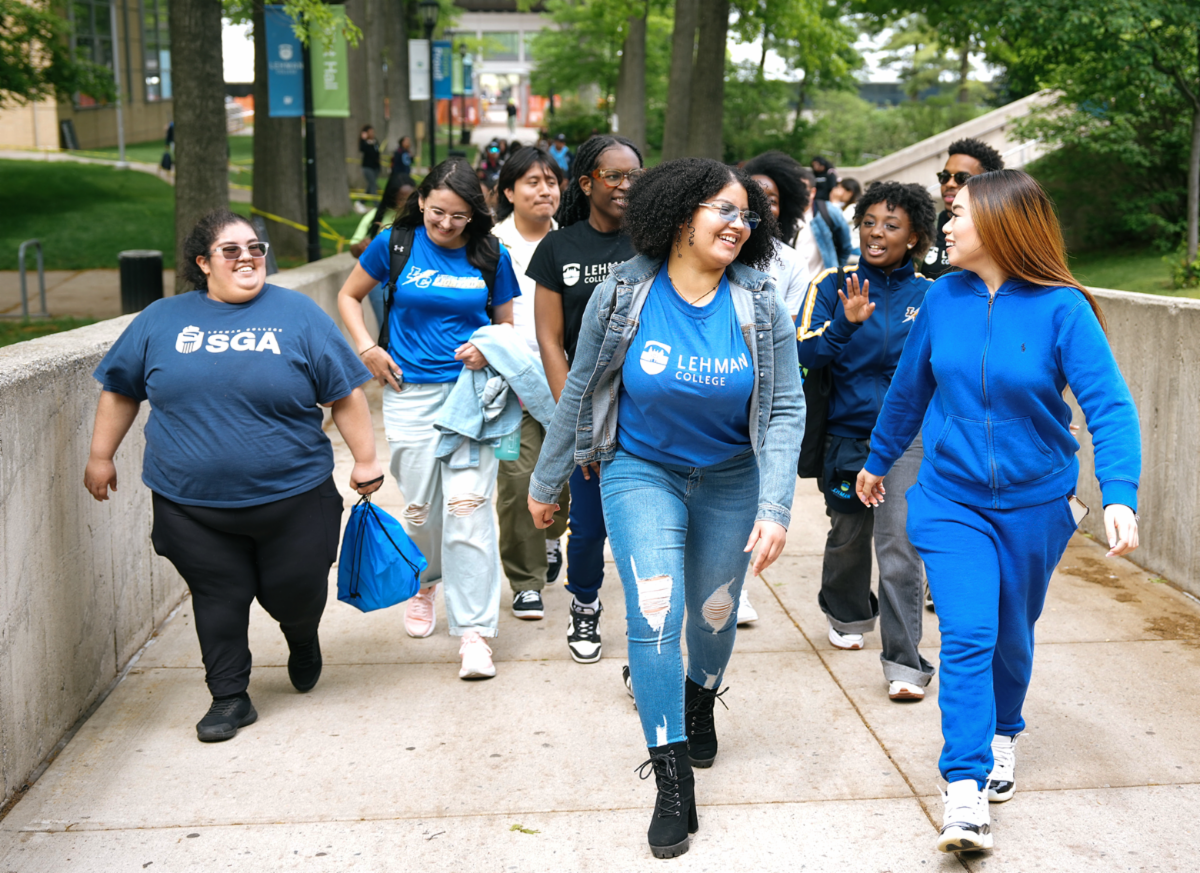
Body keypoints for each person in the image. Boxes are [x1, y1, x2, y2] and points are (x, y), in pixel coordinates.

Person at [856, 169, 1141, 853]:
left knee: (1012, 630)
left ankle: (1004, 728)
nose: (946, 226)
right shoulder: (943, 299)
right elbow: (908, 391)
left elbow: (1109, 406)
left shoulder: (1061, 307)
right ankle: (964, 788)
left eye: (959, 216)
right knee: (970, 630)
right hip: (951, 496)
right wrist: (876, 458)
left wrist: (1121, 493)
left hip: (1035, 502)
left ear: (1005, 224)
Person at [528, 158, 803, 859]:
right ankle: (672, 780)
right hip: (641, 471)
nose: (740, 224)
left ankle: (700, 696)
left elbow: (784, 409)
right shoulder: (623, 294)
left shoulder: (761, 299)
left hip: (733, 480)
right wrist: (547, 479)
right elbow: (581, 385)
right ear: (681, 216)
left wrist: (775, 503)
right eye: (724, 210)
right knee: (656, 613)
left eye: (748, 215)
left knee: (712, 617)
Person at [84, 209, 383, 743]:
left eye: (255, 247)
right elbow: (121, 388)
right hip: (191, 504)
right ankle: (229, 697)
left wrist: (364, 459)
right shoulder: (160, 319)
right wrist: (101, 455)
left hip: (293, 497)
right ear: (203, 262)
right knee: (218, 596)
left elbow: (344, 392)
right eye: (230, 249)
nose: (247, 256)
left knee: (294, 591)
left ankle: (301, 633)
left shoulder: (297, 314)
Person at [336, 159, 523, 681]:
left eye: (459, 216)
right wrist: (368, 347)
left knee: (469, 510)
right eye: (438, 212)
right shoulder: (394, 244)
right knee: (421, 510)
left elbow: (506, 326)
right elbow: (349, 296)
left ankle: (474, 633)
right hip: (409, 394)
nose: (446, 224)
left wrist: (488, 352)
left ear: (475, 215)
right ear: (421, 203)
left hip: (471, 397)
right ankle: (425, 582)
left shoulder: (491, 253)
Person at [796, 181, 937, 702]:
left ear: (915, 236)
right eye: (871, 222)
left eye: (891, 225)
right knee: (849, 534)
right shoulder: (833, 283)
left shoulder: (929, 295)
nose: (877, 233)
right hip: (846, 435)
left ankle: (904, 662)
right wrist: (844, 325)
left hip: (906, 438)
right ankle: (847, 611)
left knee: (899, 541)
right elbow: (803, 356)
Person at [526, 134, 643, 664]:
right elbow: (551, 339)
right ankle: (586, 603)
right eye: (613, 176)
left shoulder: (654, 243)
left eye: (634, 176)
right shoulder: (559, 248)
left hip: (646, 406)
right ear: (587, 182)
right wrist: (575, 418)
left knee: (645, 521)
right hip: (586, 408)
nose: (625, 185)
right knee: (589, 522)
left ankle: (651, 617)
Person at [490, 147, 568, 619]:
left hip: (567, 378)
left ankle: (551, 537)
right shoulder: (489, 243)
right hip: (510, 381)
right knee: (518, 480)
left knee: (563, 482)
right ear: (508, 192)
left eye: (551, 182)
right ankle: (525, 580)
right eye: (532, 182)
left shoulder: (575, 242)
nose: (544, 191)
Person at [744, 150, 817, 319]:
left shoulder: (793, 263)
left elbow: (789, 333)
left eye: (772, 201)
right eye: (754, 197)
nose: (763, 207)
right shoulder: (721, 251)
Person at [924, 138, 1004, 279]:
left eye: (962, 177)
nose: (950, 183)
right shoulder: (925, 228)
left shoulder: (1001, 235)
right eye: (945, 176)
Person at [349, 174, 417, 327]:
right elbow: (354, 247)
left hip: (413, 277)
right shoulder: (375, 217)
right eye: (401, 198)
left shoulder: (422, 218)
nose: (406, 203)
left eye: (410, 197)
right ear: (392, 197)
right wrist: (362, 246)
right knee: (386, 326)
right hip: (380, 281)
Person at [795, 166, 853, 279]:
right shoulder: (783, 215)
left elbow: (845, 247)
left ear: (813, 192)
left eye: (802, 188)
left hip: (822, 286)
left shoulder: (829, 212)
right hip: (794, 288)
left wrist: (835, 274)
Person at [359, 125, 382, 197]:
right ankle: (377, 204)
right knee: (373, 185)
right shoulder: (364, 142)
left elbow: (377, 152)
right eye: (370, 132)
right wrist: (364, 139)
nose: (372, 133)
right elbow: (362, 149)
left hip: (375, 167)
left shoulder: (375, 141)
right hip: (367, 167)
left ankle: (360, 202)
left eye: (372, 132)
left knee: (371, 185)